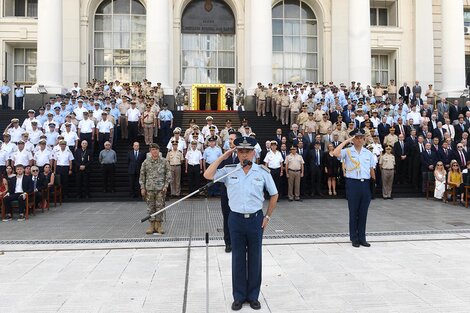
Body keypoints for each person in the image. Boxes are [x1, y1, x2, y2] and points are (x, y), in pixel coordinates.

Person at [203, 136, 278, 311]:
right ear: (236, 152)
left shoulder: (262, 172)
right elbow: (208, 175)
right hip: (235, 220)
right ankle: (238, 296)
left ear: (253, 153)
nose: (244, 155)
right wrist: (223, 156)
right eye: (241, 151)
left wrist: (267, 217)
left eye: (247, 151)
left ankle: (253, 296)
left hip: (255, 220)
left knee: (254, 258)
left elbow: (274, 195)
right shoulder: (229, 171)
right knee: (237, 258)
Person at [333, 128, 376, 248]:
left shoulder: (368, 153)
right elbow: (335, 153)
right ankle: (354, 238)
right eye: (356, 137)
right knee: (353, 211)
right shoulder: (347, 151)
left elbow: (371, 169)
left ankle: (362, 237)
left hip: (365, 184)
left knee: (363, 212)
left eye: (361, 137)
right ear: (353, 139)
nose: (359, 140)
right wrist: (347, 141)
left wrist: (374, 183)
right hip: (353, 184)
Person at [140, 143, 171, 235]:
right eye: (153, 149)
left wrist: (166, 186)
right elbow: (142, 176)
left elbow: (168, 174)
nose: (155, 151)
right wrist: (142, 187)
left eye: (156, 149)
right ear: (150, 151)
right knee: (150, 207)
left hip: (160, 189)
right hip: (149, 189)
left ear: (159, 151)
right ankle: (151, 225)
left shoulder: (164, 161)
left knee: (160, 207)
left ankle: (159, 225)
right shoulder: (146, 162)